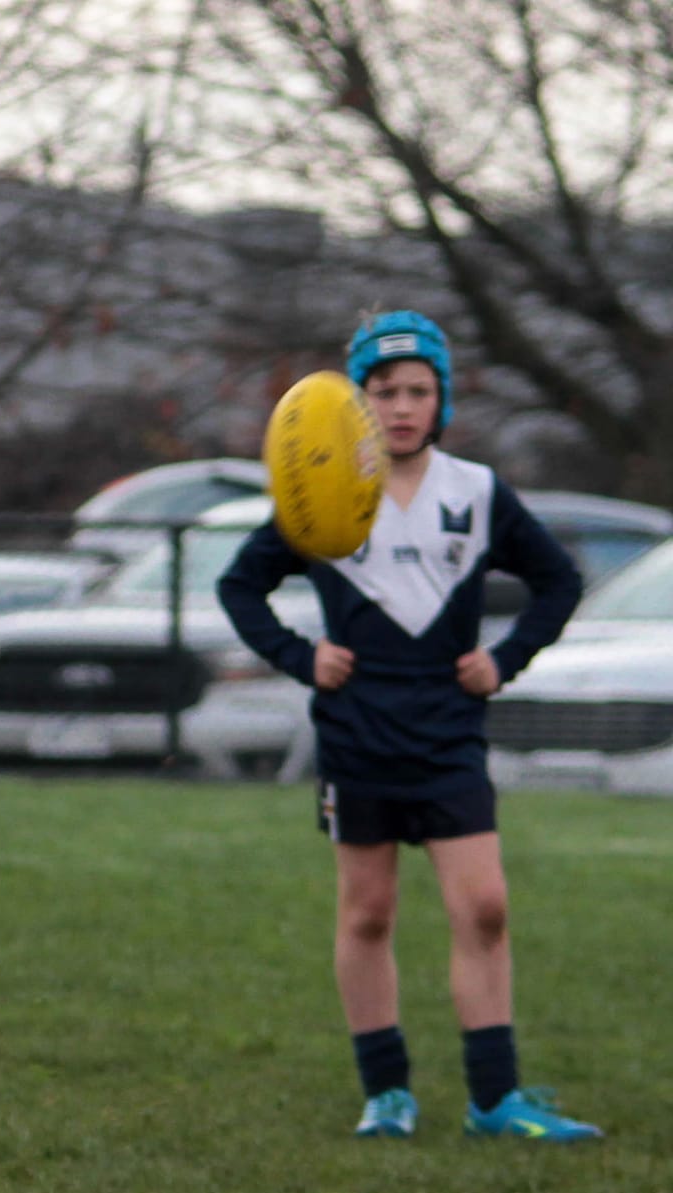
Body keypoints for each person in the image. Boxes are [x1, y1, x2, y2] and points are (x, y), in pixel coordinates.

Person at [217, 309, 600, 1144]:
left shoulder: (476, 491)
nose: (400, 407)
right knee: (367, 913)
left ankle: (493, 1098)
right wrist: (298, 654)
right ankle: (386, 1092)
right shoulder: (321, 489)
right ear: (355, 403)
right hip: (357, 734)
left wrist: (505, 659)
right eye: (383, 391)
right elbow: (238, 587)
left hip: (448, 733)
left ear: (442, 399)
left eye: (417, 390)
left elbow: (559, 582)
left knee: (486, 907)